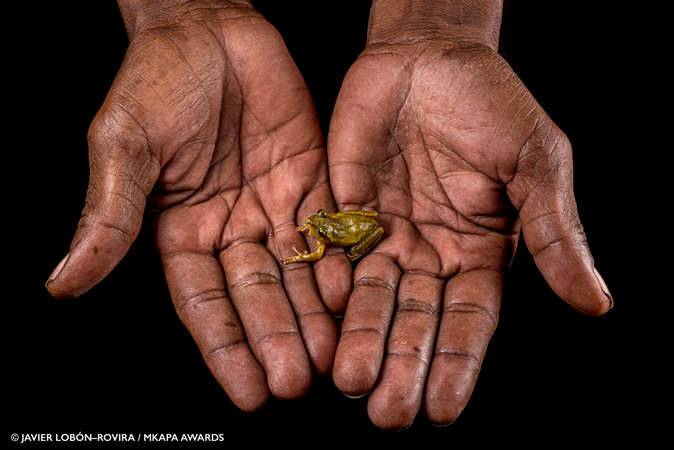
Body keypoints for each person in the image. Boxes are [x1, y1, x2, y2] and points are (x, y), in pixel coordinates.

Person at [45, 0, 612, 431]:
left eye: (312, 228)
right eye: (311, 229)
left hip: (382, 207)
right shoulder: (320, 224)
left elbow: (323, 241)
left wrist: (442, 21)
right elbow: (327, 233)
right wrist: (178, 8)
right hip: (318, 195)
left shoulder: (320, 233)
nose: (307, 230)